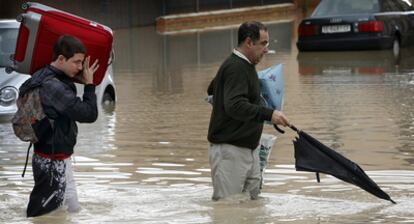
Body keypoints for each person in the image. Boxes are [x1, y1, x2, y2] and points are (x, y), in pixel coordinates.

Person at [207, 21, 290, 201]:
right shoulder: (236, 67)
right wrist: (269, 114)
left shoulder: (242, 66)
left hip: (248, 149)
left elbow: (212, 89)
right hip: (230, 151)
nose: (267, 49)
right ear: (248, 42)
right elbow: (234, 105)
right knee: (228, 211)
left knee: (251, 207)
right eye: (263, 43)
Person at [21, 35, 99, 217]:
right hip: (52, 163)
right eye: (77, 62)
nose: (80, 68)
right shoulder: (53, 87)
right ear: (61, 59)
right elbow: (89, 114)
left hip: (55, 158)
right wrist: (89, 85)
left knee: (71, 210)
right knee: (43, 214)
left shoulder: (42, 75)